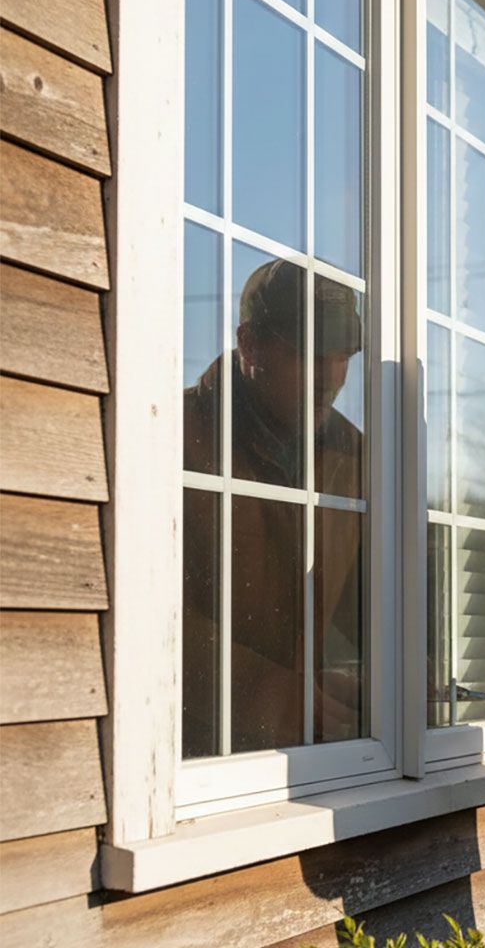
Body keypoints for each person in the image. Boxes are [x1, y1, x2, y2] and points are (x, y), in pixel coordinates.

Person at [182, 257, 365, 756]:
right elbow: (143, 613)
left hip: (327, 760)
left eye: (344, 353)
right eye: (310, 353)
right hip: (196, 766)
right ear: (250, 344)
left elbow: (367, 604)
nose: (333, 375)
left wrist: (380, 675)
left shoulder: (358, 456)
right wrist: (275, 697)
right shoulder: (171, 437)